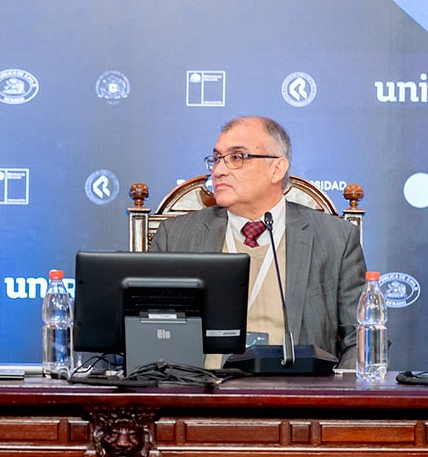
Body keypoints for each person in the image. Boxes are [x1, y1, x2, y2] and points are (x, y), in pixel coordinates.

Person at [151, 116, 365, 369]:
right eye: (217, 158)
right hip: (199, 394)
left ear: (277, 169)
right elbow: (150, 332)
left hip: (295, 397)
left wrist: (334, 395)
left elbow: (362, 339)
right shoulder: (175, 236)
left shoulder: (335, 239)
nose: (218, 170)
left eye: (237, 157)